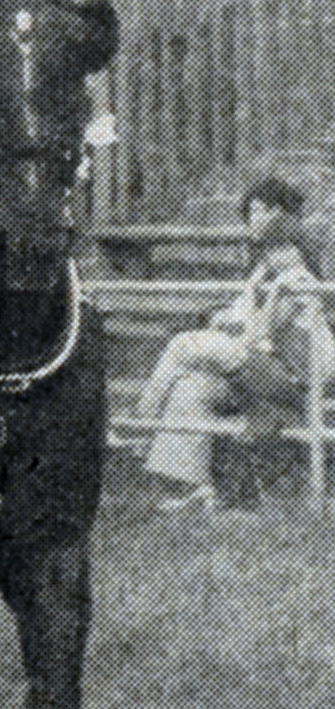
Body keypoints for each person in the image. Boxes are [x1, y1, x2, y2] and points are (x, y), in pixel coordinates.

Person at [125, 178, 334, 511]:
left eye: (282, 251)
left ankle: (139, 426)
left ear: (295, 250)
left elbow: (259, 334)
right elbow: (241, 315)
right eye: (270, 253)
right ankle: (195, 486)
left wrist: (235, 324)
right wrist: (227, 319)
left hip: (296, 381)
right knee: (193, 387)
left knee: (183, 345)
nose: (274, 257)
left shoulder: (297, 283)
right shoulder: (266, 276)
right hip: (259, 371)